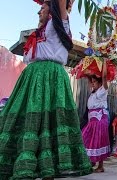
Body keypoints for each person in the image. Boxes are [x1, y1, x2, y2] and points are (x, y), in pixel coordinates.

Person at [0, 0, 92, 179]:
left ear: (53, 9)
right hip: (32, 78)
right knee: (27, 119)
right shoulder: (36, 35)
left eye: (42, 7)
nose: (38, 12)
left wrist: (59, 5)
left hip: (51, 77)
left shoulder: (58, 24)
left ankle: (49, 164)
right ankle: (26, 162)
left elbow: (61, 5)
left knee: (50, 120)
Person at [81, 62, 111, 172]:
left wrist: (104, 61)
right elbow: (89, 80)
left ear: (100, 83)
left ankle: (101, 166)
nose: (92, 84)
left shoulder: (103, 91)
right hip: (92, 121)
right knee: (85, 138)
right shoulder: (93, 93)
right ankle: (90, 161)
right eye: (92, 82)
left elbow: (104, 77)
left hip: (100, 120)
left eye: (95, 82)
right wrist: (88, 70)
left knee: (98, 141)